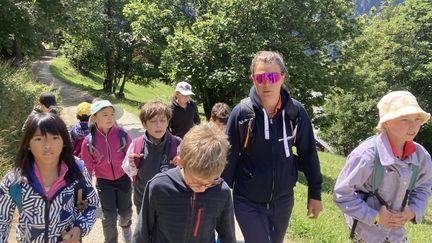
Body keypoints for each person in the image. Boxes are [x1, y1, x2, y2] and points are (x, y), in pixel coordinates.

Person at [222, 51, 323, 243]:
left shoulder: (296, 113)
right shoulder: (242, 113)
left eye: (272, 77)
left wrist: (315, 193)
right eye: (260, 77)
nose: (266, 83)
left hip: (283, 200)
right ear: (253, 79)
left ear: (282, 78)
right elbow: (228, 159)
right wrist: (219, 198)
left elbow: (309, 154)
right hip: (247, 200)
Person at [333, 91, 432, 243]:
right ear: (386, 122)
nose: (413, 126)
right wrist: (376, 216)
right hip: (366, 234)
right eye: (404, 119)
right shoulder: (366, 155)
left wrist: (413, 211)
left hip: (397, 235)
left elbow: (423, 188)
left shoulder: (420, 156)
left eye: (417, 119)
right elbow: (342, 194)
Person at [0, 112, 99, 243]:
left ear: (64, 141)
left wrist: (79, 228)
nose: (47, 145)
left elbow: (92, 205)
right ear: (28, 144)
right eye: (39, 139)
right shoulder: (14, 180)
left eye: (54, 138)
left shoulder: (77, 172)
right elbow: (2, 220)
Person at [132, 124, 236, 243]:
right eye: (195, 182)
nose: (202, 189)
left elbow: (228, 236)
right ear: (180, 162)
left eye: (209, 183)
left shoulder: (221, 191)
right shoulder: (158, 186)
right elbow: (142, 232)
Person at [80, 100, 133, 243]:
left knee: (126, 212)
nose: (110, 117)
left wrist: (135, 173)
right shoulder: (89, 141)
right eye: (105, 115)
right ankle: (110, 240)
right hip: (104, 183)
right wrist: (85, 188)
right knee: (107, 215)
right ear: (95, 118)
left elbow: (131, 156)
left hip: (123, 179)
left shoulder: (122, 134)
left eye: (112, 114)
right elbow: (87, 167)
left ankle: (126, 228)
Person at [122, 101, 181, 213]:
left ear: (168, 122)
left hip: (170, 200)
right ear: (144, 124)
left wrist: (183, 164)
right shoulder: (136, 144)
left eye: (162, 120)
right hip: (144, 200)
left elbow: (188, 172)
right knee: (145, 230)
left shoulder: (177, 144)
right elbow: (129, 172)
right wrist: (132, 164)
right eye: (153, 121)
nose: (158, 125)